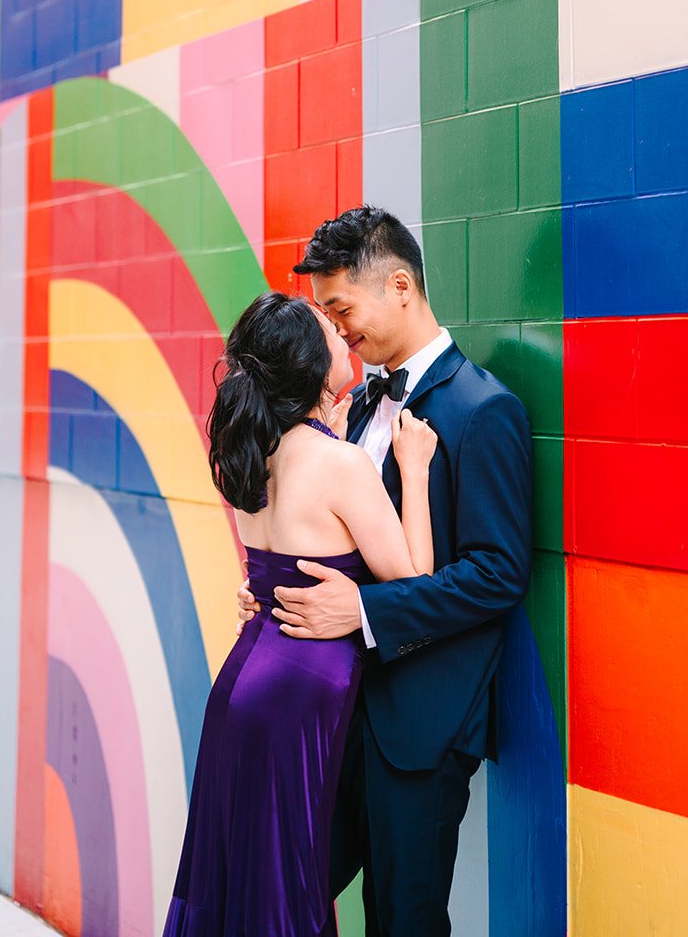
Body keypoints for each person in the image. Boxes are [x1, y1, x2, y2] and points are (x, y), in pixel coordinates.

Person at [236, 207, 533, 937]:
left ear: (400, 285)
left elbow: (497, 573)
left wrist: (362, 615)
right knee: (287, 892)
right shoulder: (357, 404)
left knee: (402, 920)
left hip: (421, 724)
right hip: (335, 708)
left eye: (342, 312)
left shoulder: (482, 410)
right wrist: (282, 594)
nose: (338, 335)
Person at [163, 290, 438, 937]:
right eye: (331, 336)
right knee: (285, 875)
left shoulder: (252, 455)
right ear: (312, 368)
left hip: (247, 676)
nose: (345, 339)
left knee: (244, 872)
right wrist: (415, 468)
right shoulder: (341, 465)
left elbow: (276, 560)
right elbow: (413, 580)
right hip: (300, 686)